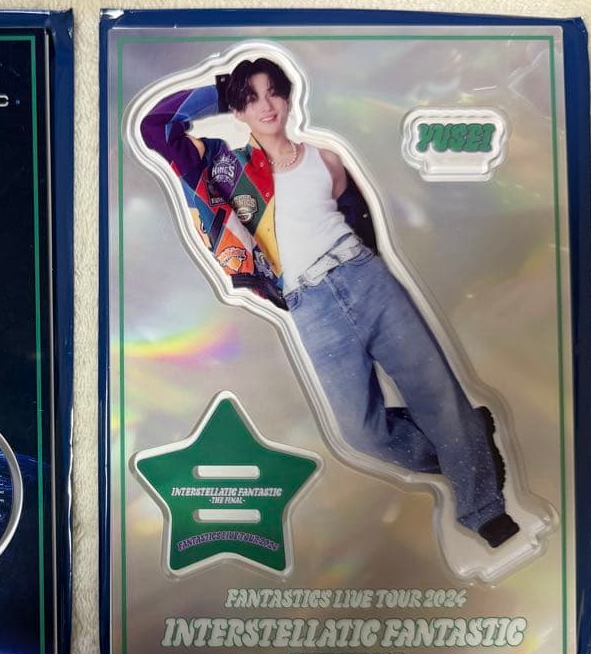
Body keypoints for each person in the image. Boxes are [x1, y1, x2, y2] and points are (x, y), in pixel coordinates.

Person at [139, 57, 519, 548]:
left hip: (363, 277)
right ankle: (467, 444)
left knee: (436, 393)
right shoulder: (225, 168)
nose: (266, 106)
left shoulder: (326, 158)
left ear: (288, 97)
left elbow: (360, 221)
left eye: (273, 92)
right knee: (363, 433)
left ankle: (483, 506)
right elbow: (155, 127)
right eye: (251, 98)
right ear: (238, 110)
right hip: (310, 305)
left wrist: (369, 271)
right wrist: (226, 87)